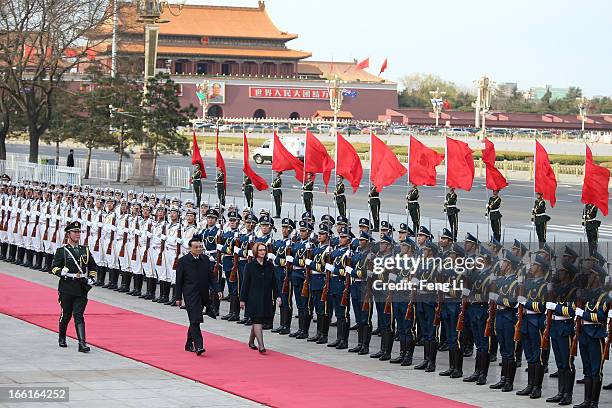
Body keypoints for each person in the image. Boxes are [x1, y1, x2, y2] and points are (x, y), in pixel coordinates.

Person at [51, 220, 98, 353]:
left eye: (79, 232)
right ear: (68, 234)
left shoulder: (85, 250)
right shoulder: (62, 251)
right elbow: (53, 267)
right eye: (75, 232)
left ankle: (82, 344)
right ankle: (62, 337)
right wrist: (61, 273)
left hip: (81, 287)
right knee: (66, 315)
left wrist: (92, 278)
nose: (78, 234)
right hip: (66, 287)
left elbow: (93, 266)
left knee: (79, 315)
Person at [175, 236, 221, 356]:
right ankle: (199, 345)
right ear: (190, 248)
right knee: (195, 319)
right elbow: (179, 280)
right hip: (190, 294)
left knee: (194, 320)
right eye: (196, 247)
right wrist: (178, 297)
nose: (199, 249)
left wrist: (217, 289)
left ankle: (188, 344)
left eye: (201, 247)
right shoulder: (183, 261)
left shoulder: (205, 259)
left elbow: (211, 276)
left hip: (203, 294)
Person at [240, 241, 281, 353]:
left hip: (266, 297)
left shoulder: (269, 265)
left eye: (264, 250)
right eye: (260, 250)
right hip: (253, 297)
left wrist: (277, 296)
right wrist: (242, 299)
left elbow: (274, 282)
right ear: (255, 252)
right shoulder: (250, 266)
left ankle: (251, 341)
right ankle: (261, 345)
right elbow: (245, 283)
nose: (262, 252)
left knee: (257, 319)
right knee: (257, 319)